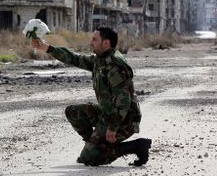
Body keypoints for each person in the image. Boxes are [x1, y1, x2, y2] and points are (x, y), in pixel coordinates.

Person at [32, 27, 151, 166]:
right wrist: (46, 47)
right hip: (106, 113)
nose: (91, 42)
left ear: (106, 43)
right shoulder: (99, 60)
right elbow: (74, 58)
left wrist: (113, 128)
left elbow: (123, 101)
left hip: (124, 121)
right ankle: (96, 145)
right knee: (73, 111)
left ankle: (137, 146)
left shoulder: (115, 67)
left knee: (89, 159)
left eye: (94, 39)